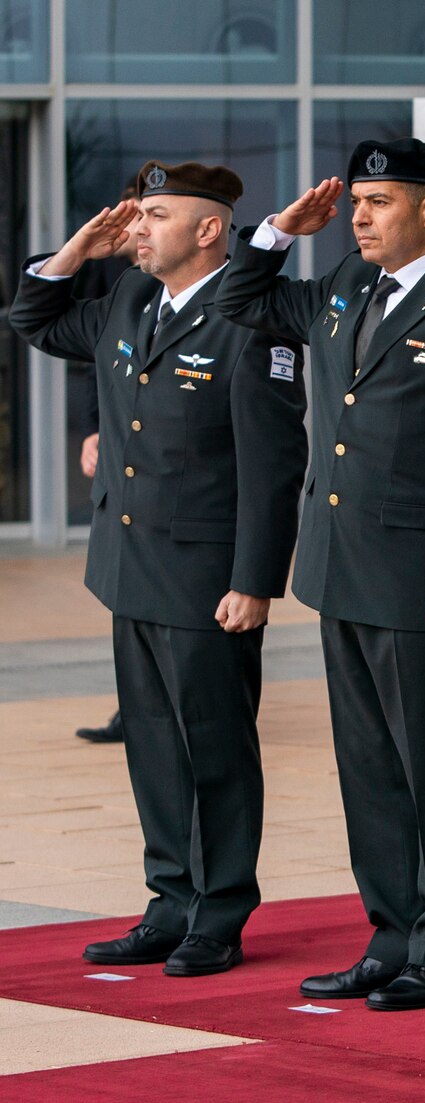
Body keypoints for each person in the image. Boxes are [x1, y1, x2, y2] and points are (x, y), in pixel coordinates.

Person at [216, 139, 425, 1012]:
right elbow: (241, 299)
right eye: (355, 201)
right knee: (369, 768)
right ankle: (391, 936)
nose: (358, 216)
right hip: (339, 568)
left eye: (379, 201)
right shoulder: (342, 286)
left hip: (420, 577)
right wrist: (281, 230)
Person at [9, 162, 307, 977]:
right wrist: (79, 248)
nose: (136, 229)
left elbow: (275, 464)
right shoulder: (129, 301)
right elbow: (34, 319)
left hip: (206, 577)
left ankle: (219, 913)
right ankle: (169, 900)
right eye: (136, 217)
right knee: (151, 745)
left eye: (155, 216)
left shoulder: (250, 317)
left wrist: (254, 580)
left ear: (210, 230)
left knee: (213, 748)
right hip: (129, 567)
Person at [71, 185, 140, 748]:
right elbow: (97, 362)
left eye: (152, 216)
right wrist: (94, 427)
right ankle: (132, 709)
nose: (139, 230)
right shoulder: (119, 285)